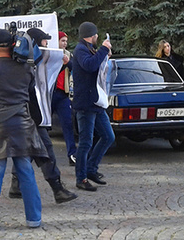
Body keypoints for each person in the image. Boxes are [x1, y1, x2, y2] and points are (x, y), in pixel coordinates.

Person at [0, 29, 49, 230]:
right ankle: (34, 219)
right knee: (25, 170)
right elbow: (31, 86)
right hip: (22, 124)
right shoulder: (24, 69)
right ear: (13, 45)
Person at [7, 28, 77, 204]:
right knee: (46, 151)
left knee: (26, 151)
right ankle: (57, 189)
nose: (47, 43)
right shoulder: (29, 60)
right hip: (31, 114)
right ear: (36, 43)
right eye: (44, 41)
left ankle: (16, 186)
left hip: (26, 114)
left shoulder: (25, 59)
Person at [72, 22, 115, 191]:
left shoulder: (88, 48)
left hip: (96, 102)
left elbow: (95, 66)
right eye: (96, 35)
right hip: (86, 103)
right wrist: (103, 50)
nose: (98, 37)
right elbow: (89, 65)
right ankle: (81, 178)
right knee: (85, 142)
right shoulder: (81, 49)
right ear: (92, 35)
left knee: (108, 136)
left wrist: (105, 57)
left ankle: (91, 169)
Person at [51, 31, 77, 166]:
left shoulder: (68, 55)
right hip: (50, 94)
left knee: (67, 123)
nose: (65, 44)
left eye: (66, 41)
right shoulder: (49, 53)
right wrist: (63, 64)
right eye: (62, 41)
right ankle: (37, 155)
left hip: (63, 93)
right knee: (43, 125)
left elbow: (74, 69)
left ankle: (72, 154)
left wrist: (68, 63)